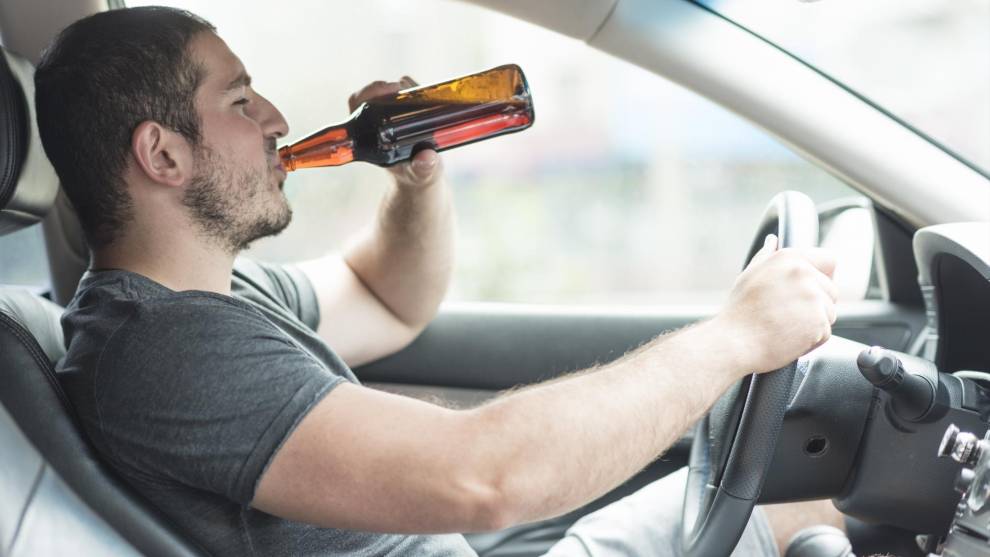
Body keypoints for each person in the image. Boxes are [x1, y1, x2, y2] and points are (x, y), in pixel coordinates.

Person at [38, 6, 846, 556]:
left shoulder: (215, 294)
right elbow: (483, 476)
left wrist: (415, 182)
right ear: (164, 155)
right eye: (241, 101)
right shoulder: (167, 350)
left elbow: (389, 297)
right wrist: (735, 337)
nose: (278, 120)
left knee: (814, 493)